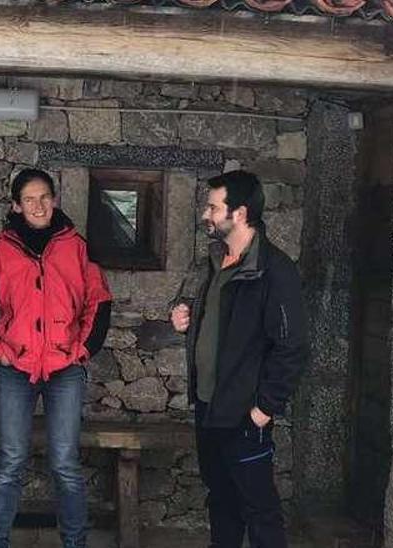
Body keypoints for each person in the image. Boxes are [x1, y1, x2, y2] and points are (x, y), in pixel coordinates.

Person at [0, 168, 112, 548]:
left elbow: (99, 301)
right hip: (17, 369)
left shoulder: (75, 246)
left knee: (65, 463)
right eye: (29, 199)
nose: (39, 205)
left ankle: (75, 543)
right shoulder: (1, 249)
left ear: (55, 199)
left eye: (44, 197)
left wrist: (81, 349)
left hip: (64, 369)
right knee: (10, 461)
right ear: (16, 205)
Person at [169, 170, 308, 548]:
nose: (205, 215)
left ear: (240, 213)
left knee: (259, 509)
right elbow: (200, 311)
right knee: (221, 500)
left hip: (245, 413)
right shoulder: (212, 262)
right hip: (209, 407)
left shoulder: (275, 271)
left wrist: (264, 408)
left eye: (213, 207)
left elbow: (292, 345)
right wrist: (183, 316)